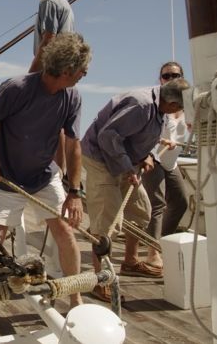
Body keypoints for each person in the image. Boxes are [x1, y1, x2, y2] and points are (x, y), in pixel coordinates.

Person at [0, 33, 90, 338]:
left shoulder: (72, 97)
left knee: (64, 232)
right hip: (7, 179)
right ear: (65, 71)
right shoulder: (17, 89)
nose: (85, 76)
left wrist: (75, 192)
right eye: (82, 71)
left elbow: (73, 145)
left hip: (45, 177)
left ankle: (75, 298)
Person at [81, 76, 190, 302]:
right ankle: (100, 280)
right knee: (106, 222)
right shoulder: (142, 105)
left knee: (141, 211)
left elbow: (139, 135)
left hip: (124, 161)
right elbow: (108, 136)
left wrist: (146, 155)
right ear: (172, 104)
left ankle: (129, 262)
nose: (177, 112)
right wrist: (128, 168)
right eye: (179, 108)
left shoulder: (158, 107)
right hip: (101, 160)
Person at [141, 62, 190, 269]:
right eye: (166, 76)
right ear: (160, 79)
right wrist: (161, 142)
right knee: (157, 204)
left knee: (181, 202)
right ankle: (153, 252)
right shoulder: (158, 104)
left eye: (175, 75)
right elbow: (145, 132)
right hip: (154, 157)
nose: (170, 79)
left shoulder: (188, 107)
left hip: (172, 162)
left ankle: (162, 243)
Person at [28, 0, 74, 73]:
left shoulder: (48, 1)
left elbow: (48, 40)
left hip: (52, 72)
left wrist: (31, 74)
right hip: (64, 69)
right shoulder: (62, 1)